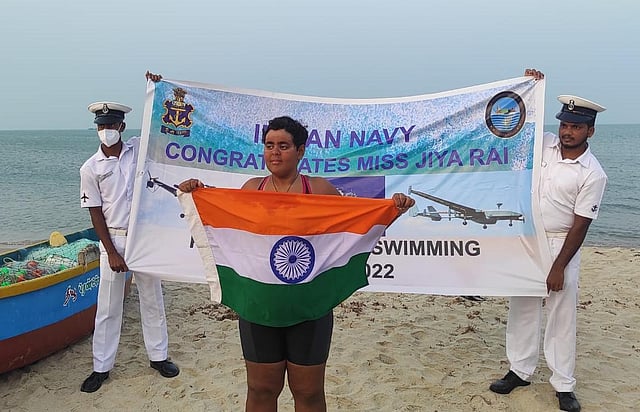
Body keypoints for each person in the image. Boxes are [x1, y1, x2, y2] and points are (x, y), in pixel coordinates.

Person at [179, 116, 415, 412]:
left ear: (300, 151)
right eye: (269, 145)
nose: (275, 152)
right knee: (261, 389)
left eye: (283, 146)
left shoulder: (319, 190)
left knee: (308, 392)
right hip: (259, 308)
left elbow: (353, 226)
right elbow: (229, 228)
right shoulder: (251, 189)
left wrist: (391, 209)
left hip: (310, 309)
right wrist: (198, 194)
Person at [489, 69, 607, 412]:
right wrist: (529, 87)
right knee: (523, 306)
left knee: (561, 315)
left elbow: (580, 226)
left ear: (590, 131)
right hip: (528, 238)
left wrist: (558, 267)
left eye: (576, 127)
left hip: (561, 244)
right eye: (565, 125)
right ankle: (520, 370)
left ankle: (563, 385)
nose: (568, 132)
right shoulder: (544, 145)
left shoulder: (593, 173)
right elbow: (518, 125)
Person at [79, 98, 179, 393]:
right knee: (108, 306)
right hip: (114, 238)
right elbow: (95, 212)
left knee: (152, 298)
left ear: (122, 126)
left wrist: (159, 93)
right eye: (102, 126)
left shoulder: (139, 149)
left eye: (111, 125)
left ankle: (159, 357)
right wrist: (111, 251)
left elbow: (161, 129)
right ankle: (101, 367)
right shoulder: (90, 168)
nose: (106, 130)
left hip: (145, 236)